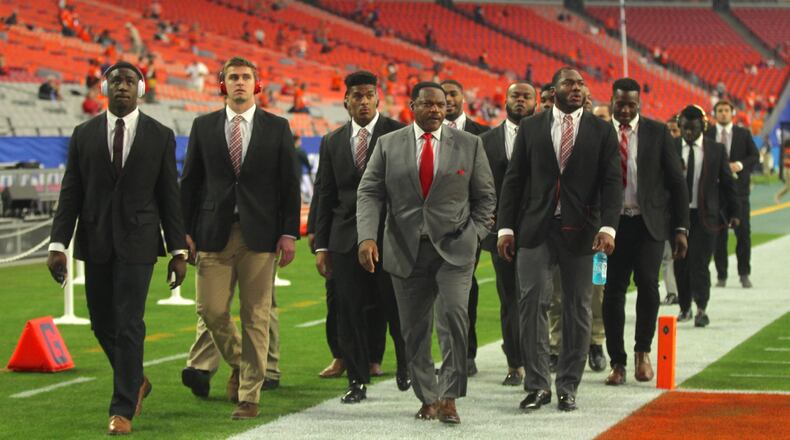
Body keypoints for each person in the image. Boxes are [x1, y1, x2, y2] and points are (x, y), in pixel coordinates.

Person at [46, 61, 187, 435]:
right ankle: (136, 379)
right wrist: (58, 243)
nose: (121, 86)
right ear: (103, 88)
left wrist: (178, 251)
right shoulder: (83, 134)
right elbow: (71, 191)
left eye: (129, 81)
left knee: (128, 322)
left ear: (141, 89)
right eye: (115, 80)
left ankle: (122, 407)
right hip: (95, 242)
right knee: (101, 322)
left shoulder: (160, 135)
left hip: (139, 243)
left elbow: (169, 197)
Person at [356, 81, 496, 423]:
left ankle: (449, 397)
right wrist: (367, 238)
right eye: (429, 104)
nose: (436, 110)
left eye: (442, 104)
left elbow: (486, 198)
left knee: (454, 320)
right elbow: (370, 192)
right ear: (412, 106)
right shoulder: (388, 145)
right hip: (405, 250)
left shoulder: (470, 144)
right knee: (414, 330)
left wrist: (474, 235)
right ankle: (427, 397)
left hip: (455, 251)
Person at [180, 56, 301, 420]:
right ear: (222, 83)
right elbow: (190, 183)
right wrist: (184, 231)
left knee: (256, 317)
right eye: (233, 77)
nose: (239, 82)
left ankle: (250, 396)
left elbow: (289, 185)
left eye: (246, 77)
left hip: (260, 237)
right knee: (210, 310)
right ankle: (241, 363)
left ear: (256, 83)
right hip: (212, 233)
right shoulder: (203, 126)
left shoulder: (277, 127)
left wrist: (288, 233)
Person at [497, 67, 622, 412]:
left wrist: (608, 227)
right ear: (553, 90)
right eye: (569, 83)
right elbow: (514, 179)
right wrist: (506, 227)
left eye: (581, 83)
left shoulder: (601, 129)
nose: (577, 88)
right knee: (531, 304)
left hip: (582, 230)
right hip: (535, 228)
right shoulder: (532, 126)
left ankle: (568, 386)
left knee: (577, 308)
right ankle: (537, 385)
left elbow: (612, 182)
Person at [314, 71, 409, 403]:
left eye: (369, 95)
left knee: (396, 308)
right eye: (357, 95)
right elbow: (325, 194)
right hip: (344, 240)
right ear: (346, 101)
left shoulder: (400, 133)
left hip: (390, 238)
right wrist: (322, 244)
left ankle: (406, 366)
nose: (364, 101)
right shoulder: (331, 141)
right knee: (349, 311)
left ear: (378, 98)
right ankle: (356, 380)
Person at [601, 78, 689, 386]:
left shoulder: (657, 132)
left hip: (649, 224)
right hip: (612, 227)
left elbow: (677, 183)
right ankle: (617, 362)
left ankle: (643, 352)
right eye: (620, 104)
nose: (625, 110)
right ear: (612, 101)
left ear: (640, 104)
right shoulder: (599, 132)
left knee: (649, 286)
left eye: (631, 105)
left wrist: (680, 228)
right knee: (612, 292)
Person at [480, 81, 536, 386]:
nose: (521, 101)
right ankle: (515, 363)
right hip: (501, 232)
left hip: (540, 232)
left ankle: (538, 359)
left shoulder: (548, 137)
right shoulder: (487, 140)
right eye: (516, 95)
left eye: (527, 96)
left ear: (536, 102)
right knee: (510, 299)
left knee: (538, 299)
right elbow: (480, 185)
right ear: (505, 100)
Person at [440, 78, 489, 375]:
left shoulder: (483, 134)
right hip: (431, 227)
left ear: (463, 98)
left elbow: (488, 184)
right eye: (442, 94)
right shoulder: (424, 134)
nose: (447, 99)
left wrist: (479, 227)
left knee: (465, 290)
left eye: (453, 93)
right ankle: (446, 355)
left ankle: (466, 354)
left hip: (468, 227)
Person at [674, 105, 738, 328]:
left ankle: (701, 307)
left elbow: (728, 183)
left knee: (699, 263)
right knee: (680, 264)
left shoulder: (716, 150)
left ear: (703, 126)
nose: (688, 133)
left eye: (693, 128)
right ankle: (685, 307)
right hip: (678, 217)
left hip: (705, 216)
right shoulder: (671, 147)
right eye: (684, 128)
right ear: (679, 127)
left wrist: (734, 212)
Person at [707, 100, 759, 289]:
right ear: (715, 113)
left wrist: (740, 165)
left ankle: (744, 274)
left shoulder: (743, 134)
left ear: (733, 112)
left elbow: (755, 156)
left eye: (726, 110)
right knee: (719, 237)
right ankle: (721, 275)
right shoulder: (709, 134)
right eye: (719, 110)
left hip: (739, 193)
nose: (723, 113)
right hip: (716, 193)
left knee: (743, 234)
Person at [775, 140, 790, 204]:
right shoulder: (787, 151)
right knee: (788, 186)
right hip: (788, 170)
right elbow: (785, 161)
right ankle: (778, 196)